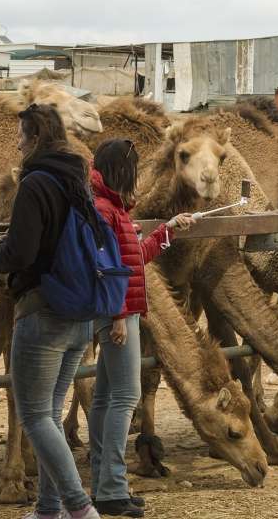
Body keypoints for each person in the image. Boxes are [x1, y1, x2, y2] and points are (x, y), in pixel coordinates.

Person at [0, 104, 102, 519]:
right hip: (79, 317)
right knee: (50, 414)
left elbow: (20, 253)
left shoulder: (35, 183)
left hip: (43, 314)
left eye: (21, 135)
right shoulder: (78, 180)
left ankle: (80, 508)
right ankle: (48, 509)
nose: (17, 143)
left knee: (34, 417)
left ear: (35, 139)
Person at [87, 139, 195, 517]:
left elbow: (135, 259)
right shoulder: (104, 211)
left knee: (105, 397)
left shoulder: (111, 209)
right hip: (119, 314)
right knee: (125, 395)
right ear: (122, 170)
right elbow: (103, 268)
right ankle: (113, 488)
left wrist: (169, 230)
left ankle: (104, 482)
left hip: (121, 311)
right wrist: (118, 315)